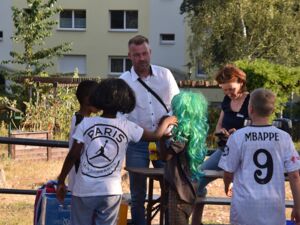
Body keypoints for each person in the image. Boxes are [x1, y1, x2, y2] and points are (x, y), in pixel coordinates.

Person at [56, 78, 177, 225]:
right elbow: (155, 135)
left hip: (84, 190)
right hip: (111, 191)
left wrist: (61, 180)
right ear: (126, 101)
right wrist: (167, 121)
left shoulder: (86, 123)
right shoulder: (127, 126)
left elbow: (73, 155)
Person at [120, 35, 180, 225]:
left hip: (165, 143)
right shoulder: (123, 82)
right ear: (129, 56)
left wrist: (167, 129)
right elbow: (121, 117)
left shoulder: (165, 75)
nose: (142, 58)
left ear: (150, 53)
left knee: (171, 191)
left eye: (144, 53)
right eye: (137, 55)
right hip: (137, 144)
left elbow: (176, 106)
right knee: (138, 195)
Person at [218, 88, 300, 225]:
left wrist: (227, 185)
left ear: (250, 109)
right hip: (273, 206)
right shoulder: (284, 138)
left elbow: (228, 172)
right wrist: (297, 206)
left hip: (244, 207)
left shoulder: (237, 137)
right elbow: (295, 175)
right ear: (272, 111)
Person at [192, 64, 250, 225]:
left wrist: (237, 135)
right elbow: (218, 126)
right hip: (224, 150)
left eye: (231, 89)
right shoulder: (226, 101)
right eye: (224, 90)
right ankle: (196, 219)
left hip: (245, 155)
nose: (228, 93)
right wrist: (222, 133)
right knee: (196, 178)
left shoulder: (251, 100)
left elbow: (255, 128)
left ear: (240, 82)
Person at [159, 92, 209, 225]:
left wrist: (162, 135)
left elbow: (165, 156)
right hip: (187, 186)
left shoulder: (183, 134)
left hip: (178, 189)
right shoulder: (196, 132)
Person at [68, 80, 98, 192]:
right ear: (87, 99)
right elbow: (76, 154)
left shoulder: (78, 118)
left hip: (80, 180)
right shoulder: (82, 122)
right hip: (81, 181)